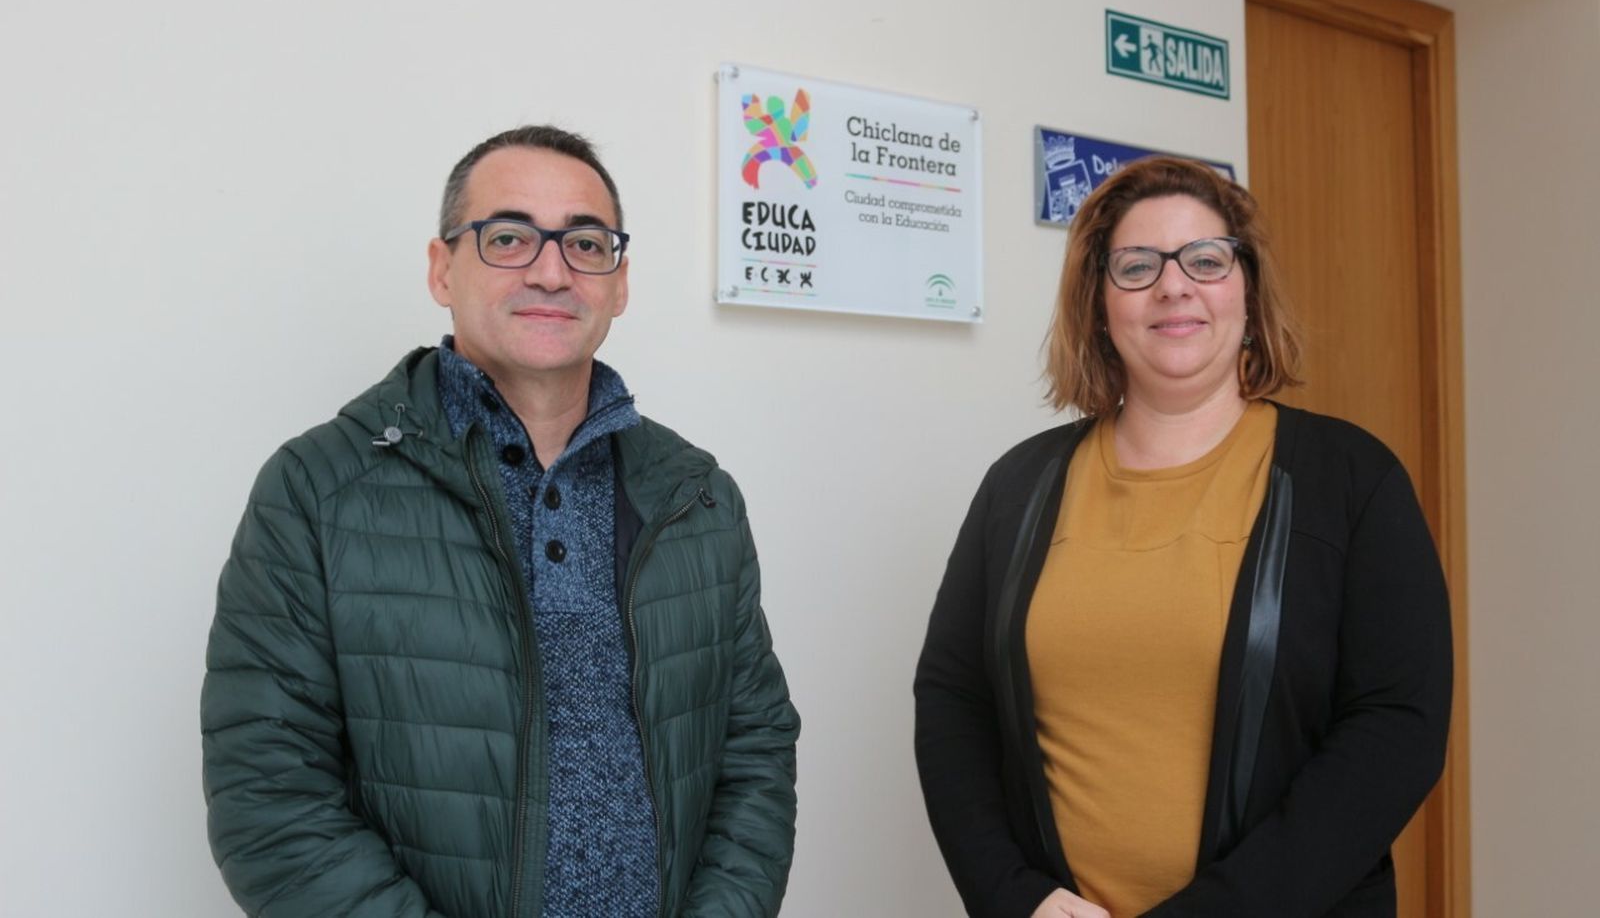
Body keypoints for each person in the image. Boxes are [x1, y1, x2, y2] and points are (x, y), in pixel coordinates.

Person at [202, 125, 800, 917]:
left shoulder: (696, 494)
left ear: (618, 283)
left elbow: (753, 752)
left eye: (586, 243)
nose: (552, 271)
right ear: (441, 268)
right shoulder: (317, 489)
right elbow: (268, 790)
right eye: (510, 237)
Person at [913, 157, 1452, 918]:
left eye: (1206, 259)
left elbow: (1399, 727)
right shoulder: (1018, 486)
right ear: (1099, 305)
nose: (1175, 286)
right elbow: (952, 700)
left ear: (1248, 289)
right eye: (1138, 266)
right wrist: (1015, 897)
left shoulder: (1352, 481)